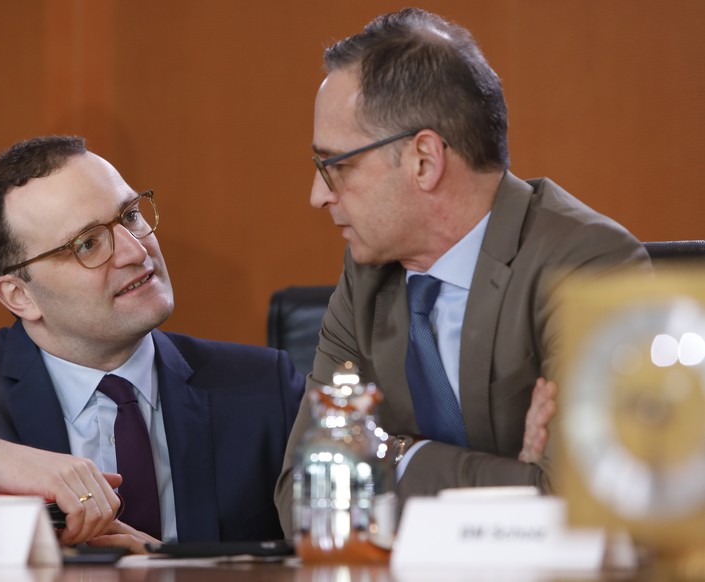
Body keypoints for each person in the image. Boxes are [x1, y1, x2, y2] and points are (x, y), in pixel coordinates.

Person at [274, 7, 649, 535]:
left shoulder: (588, 267)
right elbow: (305, 499)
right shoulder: (366, 277)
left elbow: (582, 506)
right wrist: (516, 482)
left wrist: (390, 458)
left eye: (337, 166)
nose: (318, 196)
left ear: (424, 160)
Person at [0, 135, 304, 550]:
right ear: (19, 296)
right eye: (87, 244)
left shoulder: (264, 389)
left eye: (130, 215)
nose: (135, 251)